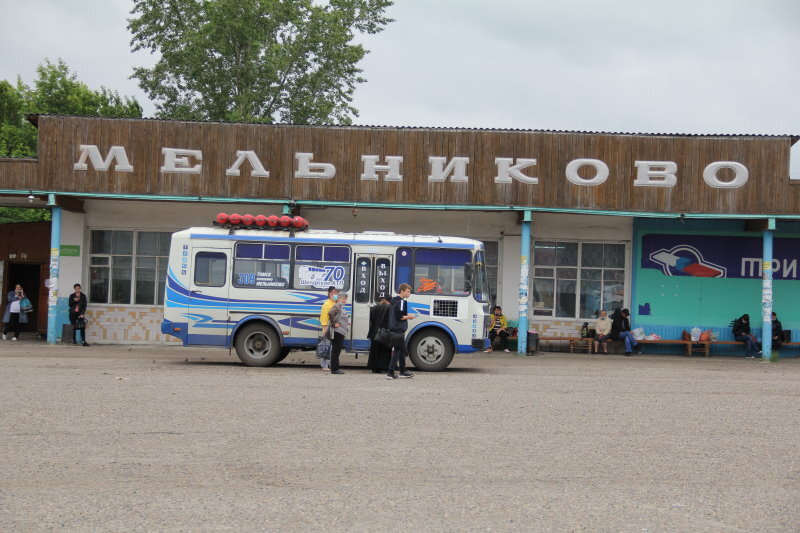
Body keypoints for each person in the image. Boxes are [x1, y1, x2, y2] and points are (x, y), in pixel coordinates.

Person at [387, 283, 416, 380]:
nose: (409, 294)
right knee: (398, 351)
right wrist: (410, 317)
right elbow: (400, 317)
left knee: (402, 351)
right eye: (408, 291)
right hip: (399, 329)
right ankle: (391, 372)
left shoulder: (394, 301)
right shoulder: (401, 302)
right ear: (402, 291)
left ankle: (402, 371)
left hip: (394, 328)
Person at [367, 298, 392, 373]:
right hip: (384, 332)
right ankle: (383, 368)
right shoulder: (389, 308)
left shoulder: (374, 308)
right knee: (384, 351)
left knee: (374, 351)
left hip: (374, 332)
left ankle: (374, 368)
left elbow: (371, 319)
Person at [327, 291, 349, 375]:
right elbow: (330, 313)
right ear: (339, 298)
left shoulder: (340, 307)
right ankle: (335, 369)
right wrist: (333, 324)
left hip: (340, 332)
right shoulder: (337, 306)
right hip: (337, 332)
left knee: (337, 351)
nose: (344, 300)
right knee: (336, 351)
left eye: (345, 299)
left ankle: (336, 368)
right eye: (343, 299)